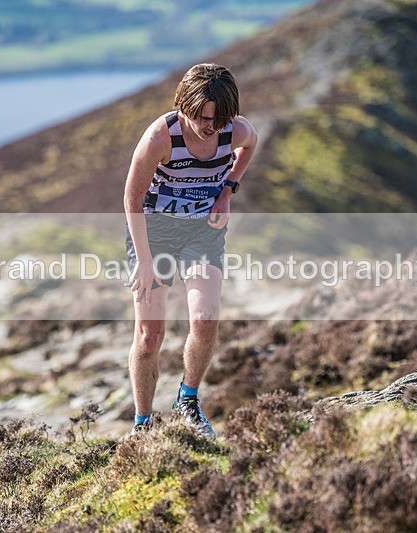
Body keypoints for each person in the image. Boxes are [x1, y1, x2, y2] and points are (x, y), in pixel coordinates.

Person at [123, 63, 258, 438]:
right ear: (184, 104)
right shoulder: (159, 138)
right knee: (150, 337)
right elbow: (132, 199)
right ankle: (143, 424)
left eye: (218, 119)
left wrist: (228, 191)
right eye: (201, 117)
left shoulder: (235, 129)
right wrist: (145, 261)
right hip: (154, 231)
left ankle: (188, 398)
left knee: (206, 318)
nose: (209, 126)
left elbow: (251, 143)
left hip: (202, 232)